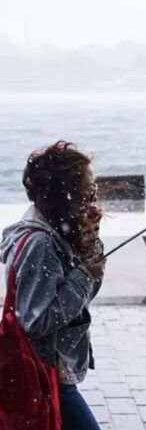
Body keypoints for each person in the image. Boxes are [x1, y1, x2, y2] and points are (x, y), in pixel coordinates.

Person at [1, 141, 106, 430]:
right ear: (64, 195)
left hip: (47, 371)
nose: (94, 197)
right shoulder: (41, 243)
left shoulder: (54, 231)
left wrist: (87, 247)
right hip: (44, 371)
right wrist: (84, 274)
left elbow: (80, 301)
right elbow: (36, 319)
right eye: (88, 190)